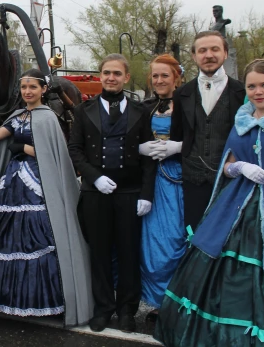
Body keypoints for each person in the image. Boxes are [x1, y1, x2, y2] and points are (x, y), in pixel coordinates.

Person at [155, 59, 264, 346]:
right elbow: (228, 164)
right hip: (241, 207)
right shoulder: (243, 120)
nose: (258, 92)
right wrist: (240, 169)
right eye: (252, 86)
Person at [0, 69, 93, 327]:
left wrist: (22, 148)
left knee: (39, 233)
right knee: (6, 236)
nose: (27, 92)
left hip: (38, 180)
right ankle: (10, 298)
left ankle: (41, 299)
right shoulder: (17, 116)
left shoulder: (47, 118)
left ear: (43, 90)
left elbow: (51, 153)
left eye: (32, 87)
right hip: (13, 181)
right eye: (24, 87)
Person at [68, 54, 156, 333]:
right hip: (96, 192)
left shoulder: (142, 112)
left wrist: (146, 193)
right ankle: (103, 308)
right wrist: (93, 177)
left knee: (129, 253)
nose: (111, 78)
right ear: (100, 75)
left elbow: (149, 157)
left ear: (126, 77)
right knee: (100, 253)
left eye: (117, 73)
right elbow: (75, 150)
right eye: (106, 72)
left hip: (129, 192)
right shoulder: (84, 111)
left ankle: (127, 310)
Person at [166, 31, 245, 232]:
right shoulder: (181, 94)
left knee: (230, 236)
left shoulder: (242, 92)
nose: (208, 55)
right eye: (202, 50)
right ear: (194, 56)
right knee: (196, 236)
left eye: (214, 49)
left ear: (225, 53)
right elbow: (178, 136)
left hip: (232, 181)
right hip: (193, 180)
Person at [137, 54, 185, 322]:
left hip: (179, 183)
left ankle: (179, 299)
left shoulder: (189, 108)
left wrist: (177, 148)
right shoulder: (145, 108)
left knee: (177, 240)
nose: (159, 80)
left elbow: (203, 141)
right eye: (155, 76)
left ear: (176, 78)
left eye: (164, 75)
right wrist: (139, 148)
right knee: (152, 245)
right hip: (151, 181)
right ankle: (158, 302)